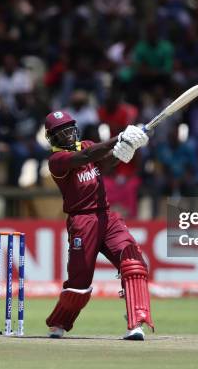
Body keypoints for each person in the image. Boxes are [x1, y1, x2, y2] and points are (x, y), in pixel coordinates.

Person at [43, 110, 153, 340]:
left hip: (106, 215)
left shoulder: (87, 145)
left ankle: (136, 323)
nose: (69, 135)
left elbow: (102, 163)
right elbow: (85, 158)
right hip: (82, 221)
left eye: (70, 128)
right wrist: (120, 137)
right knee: (79, 283)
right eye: (62, 133)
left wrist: (126, 149)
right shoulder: (57, 161)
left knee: (133, 262)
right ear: (52, 138)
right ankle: (59, 323)